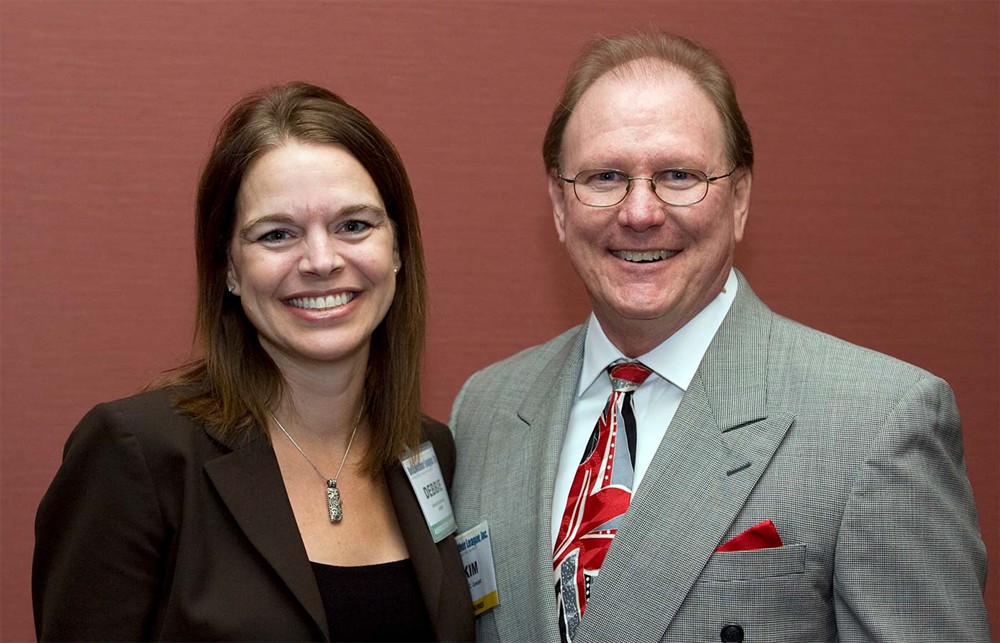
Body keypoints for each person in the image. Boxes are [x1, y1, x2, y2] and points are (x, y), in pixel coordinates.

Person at [449, 32, 990, 643]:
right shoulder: (486, 410)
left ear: (740, 198)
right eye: (605, 176)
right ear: (558, 203)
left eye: (679, 175)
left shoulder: (882, 422)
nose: (640, 213)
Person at [33, 82, 474, 642]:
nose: (320, 261)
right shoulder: (137, 457)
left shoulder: (428, 453)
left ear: (398, 250)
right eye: (277, 234)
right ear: (230, 270)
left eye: (354, 226)